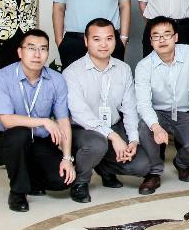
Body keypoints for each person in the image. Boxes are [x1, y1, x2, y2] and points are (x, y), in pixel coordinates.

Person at [64, 18, 155, 197]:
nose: (104, 44)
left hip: (113, 126)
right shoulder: (72, 73)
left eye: (109, 38)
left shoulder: (123, 69)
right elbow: (80, 114)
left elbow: (130, 109)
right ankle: (80, 182)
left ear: (115, 40)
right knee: (97, 144)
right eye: (96, 39)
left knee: (142, 165)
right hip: (83, 130)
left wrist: (133, 140)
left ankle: (104, 168)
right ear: (86, 41)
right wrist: (113, 137)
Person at [0, 29, 74, 213]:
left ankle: (31, 176)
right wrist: (44, 121)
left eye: (43, 49)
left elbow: (63, 121)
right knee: (19, 134)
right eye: (31, 48)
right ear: (20, 52)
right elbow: (7, 121)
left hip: (39, 140)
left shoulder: (56, 79)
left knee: (62, 181)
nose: (37, 54)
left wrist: (67, 158)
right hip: (8, 141)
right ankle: (17, 192)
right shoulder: (1, 78)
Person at [134, 16, 189, 184]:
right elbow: (143, 104)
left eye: (167, 34)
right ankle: (154, 171)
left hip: (184, 112)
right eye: (156, 36)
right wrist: (156, 127)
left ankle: (181, 163)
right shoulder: (143, 66)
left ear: (176, 37)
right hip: (158, 112)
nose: (162, 40)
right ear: (150, 41)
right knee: (144, 127)